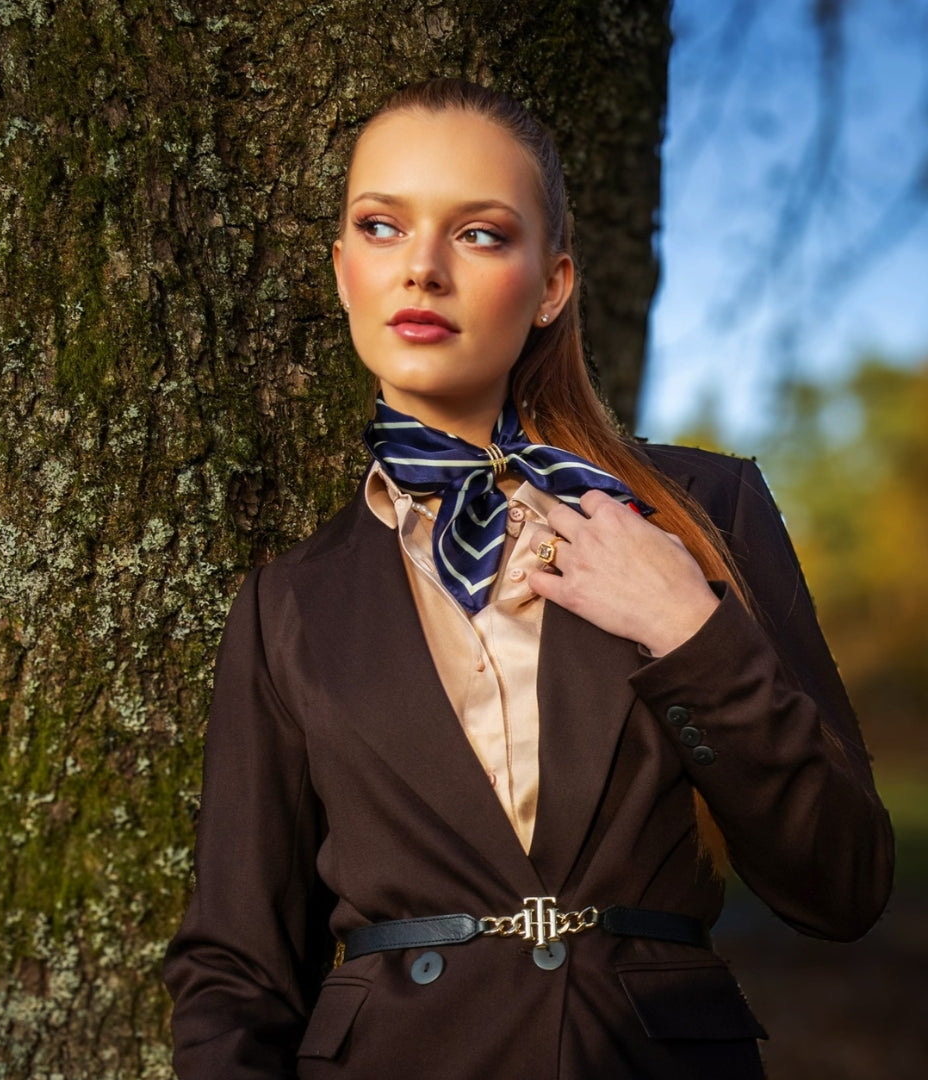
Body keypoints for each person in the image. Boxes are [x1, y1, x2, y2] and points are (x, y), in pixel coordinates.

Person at [163, 78, 893, 1079]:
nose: (420, 268)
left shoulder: (699, 509)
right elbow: (237, 973)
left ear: (551, 286)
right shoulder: (289, 602)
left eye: (478, 235)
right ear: (342, 271)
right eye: (381, 227)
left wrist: (690, 630)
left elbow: (842, 883)